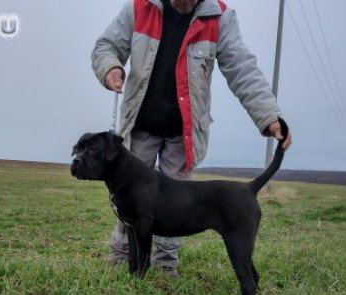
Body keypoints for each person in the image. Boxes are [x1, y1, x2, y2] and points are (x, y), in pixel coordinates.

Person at [92, 0, 292, 276]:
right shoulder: (140, 7)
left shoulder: (219, 17)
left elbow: (242, 69)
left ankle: (164, 263)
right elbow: (107, 46)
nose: (184, 3)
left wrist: (268, 115)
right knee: (131, 195)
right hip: (140, 124)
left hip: (183, 132)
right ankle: (122, 255)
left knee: (178, 203)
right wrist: (110, 67)